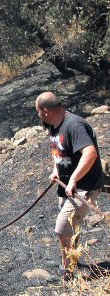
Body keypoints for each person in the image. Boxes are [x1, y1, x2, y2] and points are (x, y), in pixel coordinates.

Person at [35, 92, 103, 279]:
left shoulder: (74, 125)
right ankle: (72, 258)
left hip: (83, 185)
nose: (38, 115)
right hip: (66, 185)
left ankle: (67, 269)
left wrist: (73, 179)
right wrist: (56, 169)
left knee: (62, 226)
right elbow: (59, 151)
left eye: (38, 111)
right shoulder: (54, 126)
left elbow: (90, 153)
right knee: (71, 225)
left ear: (46, 111)